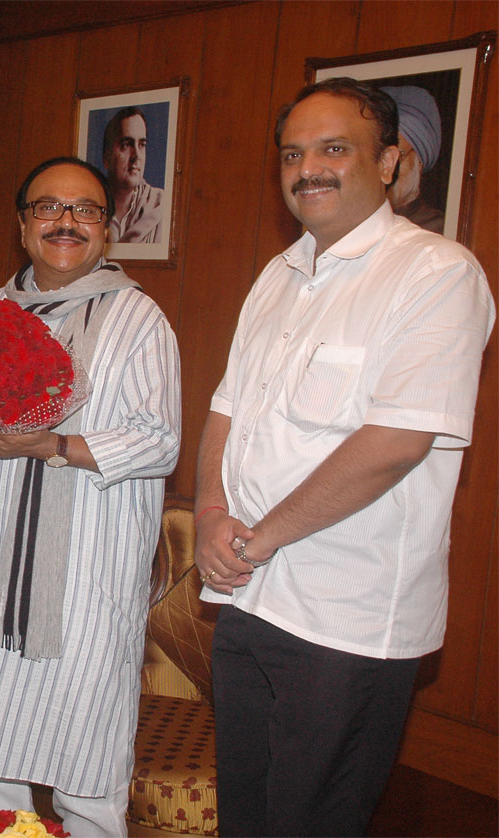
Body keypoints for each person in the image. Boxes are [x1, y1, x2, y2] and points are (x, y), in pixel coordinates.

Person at [194, 77, 494, 836]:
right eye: (293, 153)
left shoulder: (437, 275)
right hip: (246, 600)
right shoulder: (278, 273)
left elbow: (395, 443)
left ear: (390, 162)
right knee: (247, 820)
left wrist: (260, 537)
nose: (308, 170)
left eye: (335, 148)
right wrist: (208, 513)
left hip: (345, 623)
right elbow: (227, 408)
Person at [0, 156, 181, 837]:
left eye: (85, 210)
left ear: (108, 230)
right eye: (48, 207)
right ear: (22, 224)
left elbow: (158, 442)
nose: (66, 221)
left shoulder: (139, 320)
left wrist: (52, 446)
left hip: (89, 578)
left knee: (88, 759)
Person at [381, 84, 445, 234]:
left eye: (396, 157)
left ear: (420, 162)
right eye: (378, 156)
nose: (385, 167)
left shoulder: (440, 228)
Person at [102, 107, 164, 243]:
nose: (136, 156)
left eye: (142, 145)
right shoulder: (91, 208)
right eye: (127, 145)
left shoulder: (161, 205)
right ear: (106, 157)